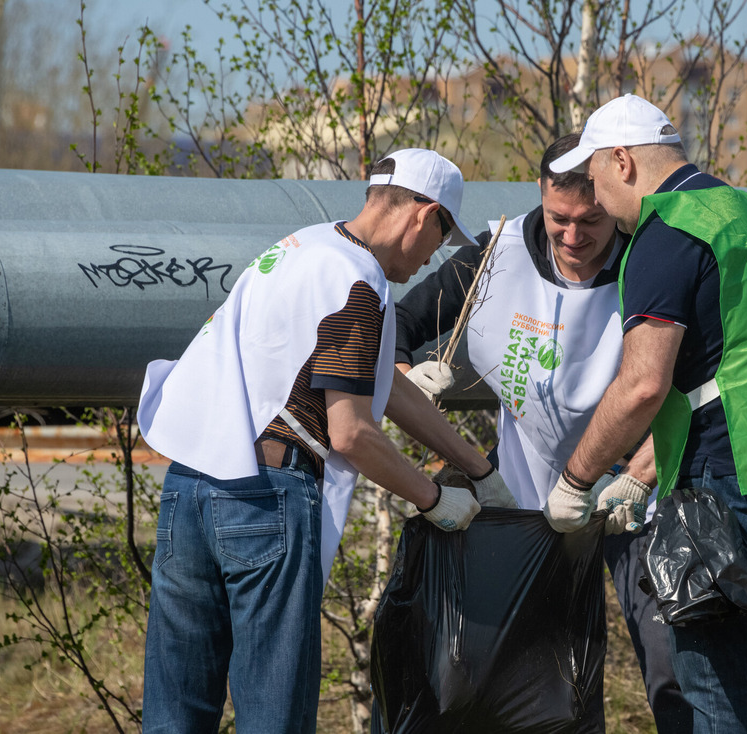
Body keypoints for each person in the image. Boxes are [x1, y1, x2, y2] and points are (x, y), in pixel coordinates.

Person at [136, 148, 516, 733]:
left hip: (188, 488)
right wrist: (435, 499)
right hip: (264, 498)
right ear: (423, 215)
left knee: (176, 714)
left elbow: (384, 381)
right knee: (273, 716)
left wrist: (479, 469)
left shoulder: (305, 247)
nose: (430, 258)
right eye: (440, 237)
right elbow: (352, 432)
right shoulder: (358, 284)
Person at [543, 95, 747, 733]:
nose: (595, 194)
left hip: (735, 485)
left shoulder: (667, 233)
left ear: (623, 161)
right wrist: (643, 470)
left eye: (596, 177)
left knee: (715, 686)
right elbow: (737, 361)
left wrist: (575, 480)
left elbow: (642, 385)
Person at [393, 133, 694, 732]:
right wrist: (408, 379)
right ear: (539, 195)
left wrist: (639, 475)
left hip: (634, 491)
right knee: (533, 673)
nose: (575, 237)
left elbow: (701, 385)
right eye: (559, 220)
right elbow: (400, 321)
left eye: (591, 221)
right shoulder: (495, 254)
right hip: (530, 495)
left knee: (673, 665)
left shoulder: (651, 257)